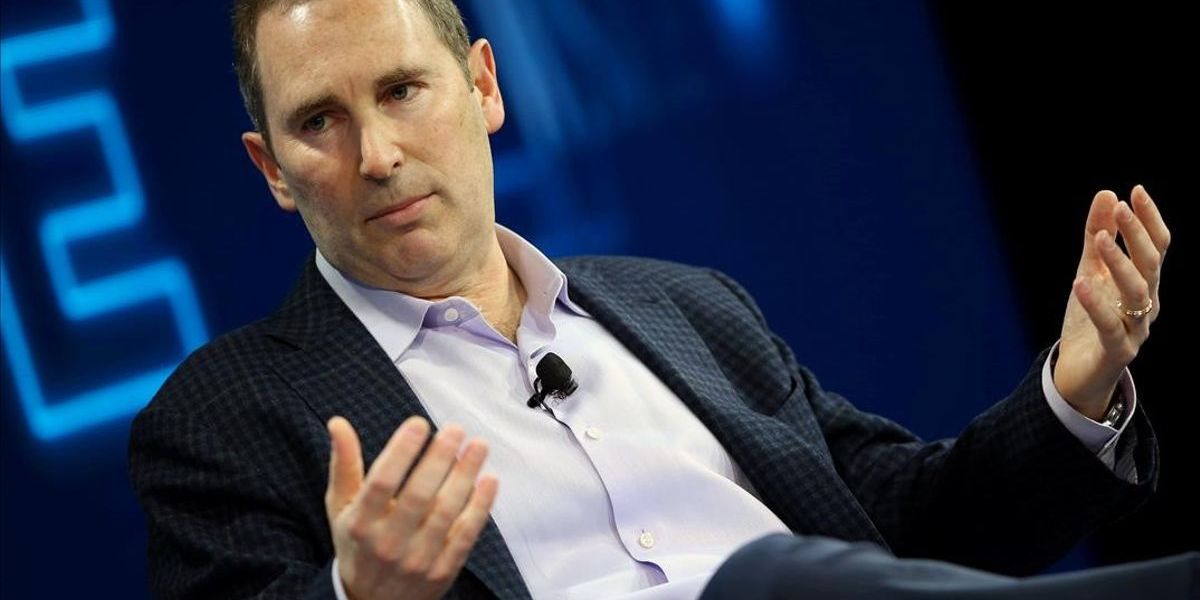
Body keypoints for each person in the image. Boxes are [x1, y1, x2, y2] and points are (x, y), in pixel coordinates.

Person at [128, 0, 1189, 598]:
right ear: (272, 169)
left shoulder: (688, 308)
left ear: (485, 87)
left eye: (403, 90)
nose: (378, 155)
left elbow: (914, 530)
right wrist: (360, 597)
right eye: (320, 121)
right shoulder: (221, 420)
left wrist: (1076, 388)